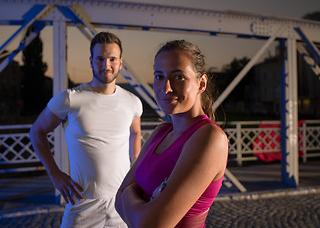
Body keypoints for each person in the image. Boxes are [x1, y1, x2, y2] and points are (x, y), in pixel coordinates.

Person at [29, 31, 143, 228]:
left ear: (120, 62)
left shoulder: (133, 102)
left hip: (122, 202)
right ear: (91, 61)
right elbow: (36, 132)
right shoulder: (70, 99)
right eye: (100, 59)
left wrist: (137, 173)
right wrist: (55, 173)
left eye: (112, 59)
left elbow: (136, 133)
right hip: (83, 204)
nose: (106, 65)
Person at [115, 40, 229, 228]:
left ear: (201, 84)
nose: (166, 88)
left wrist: (128, 193)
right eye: (159, 77)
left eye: (179, 77)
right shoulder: (161, 132)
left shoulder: (210, 137)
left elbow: (150, 224)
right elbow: (117, 203)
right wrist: (135, 207)